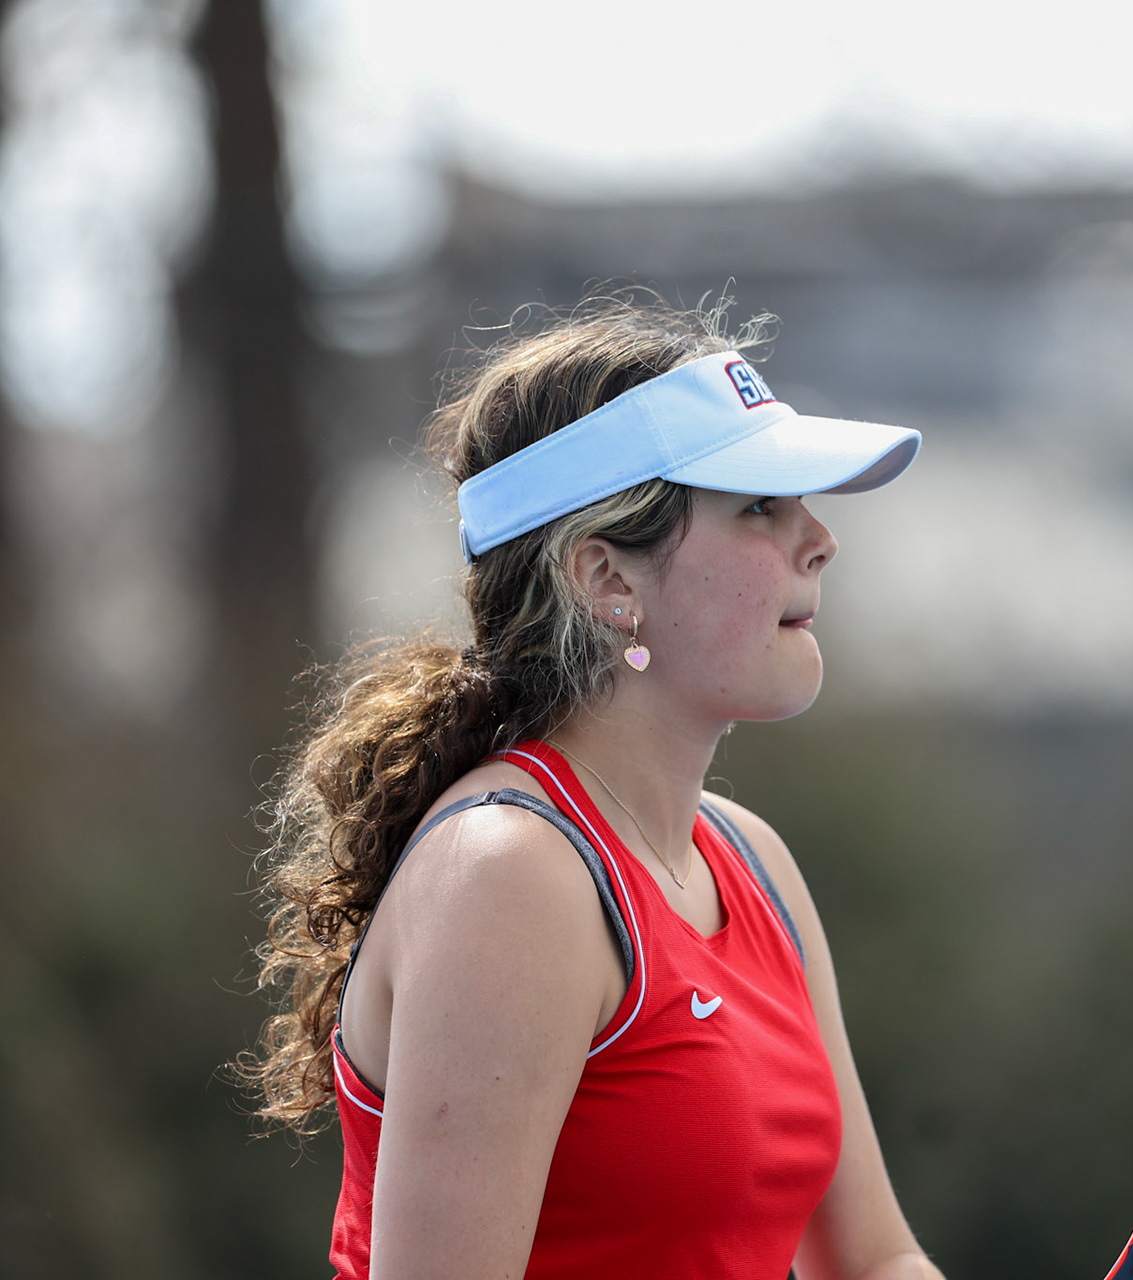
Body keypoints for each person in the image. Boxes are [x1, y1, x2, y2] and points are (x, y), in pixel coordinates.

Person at [241, 298, 944, 1280]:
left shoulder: (753, 859)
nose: (818, 537)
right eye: (757, 505)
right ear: (607, 577)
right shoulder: (507, 878)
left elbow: (873, 1260)